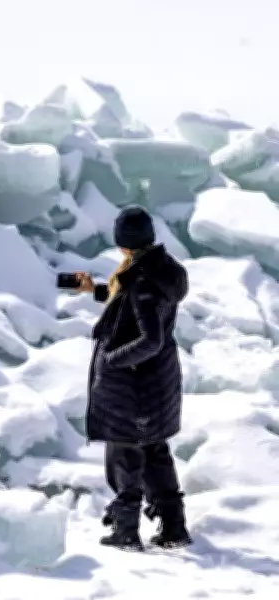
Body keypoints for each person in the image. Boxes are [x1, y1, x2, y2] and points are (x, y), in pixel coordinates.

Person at [73, 206, 193, 552]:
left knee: (124, 453)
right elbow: (127, 304)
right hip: (156, 380)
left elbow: (149, 338)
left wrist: (113, 360)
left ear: (124, 244)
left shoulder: (142, 282)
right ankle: (173, 526)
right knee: (154, 449)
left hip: (134, 383)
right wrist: (93, 289)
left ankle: (126, 532)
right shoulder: (158, 270)